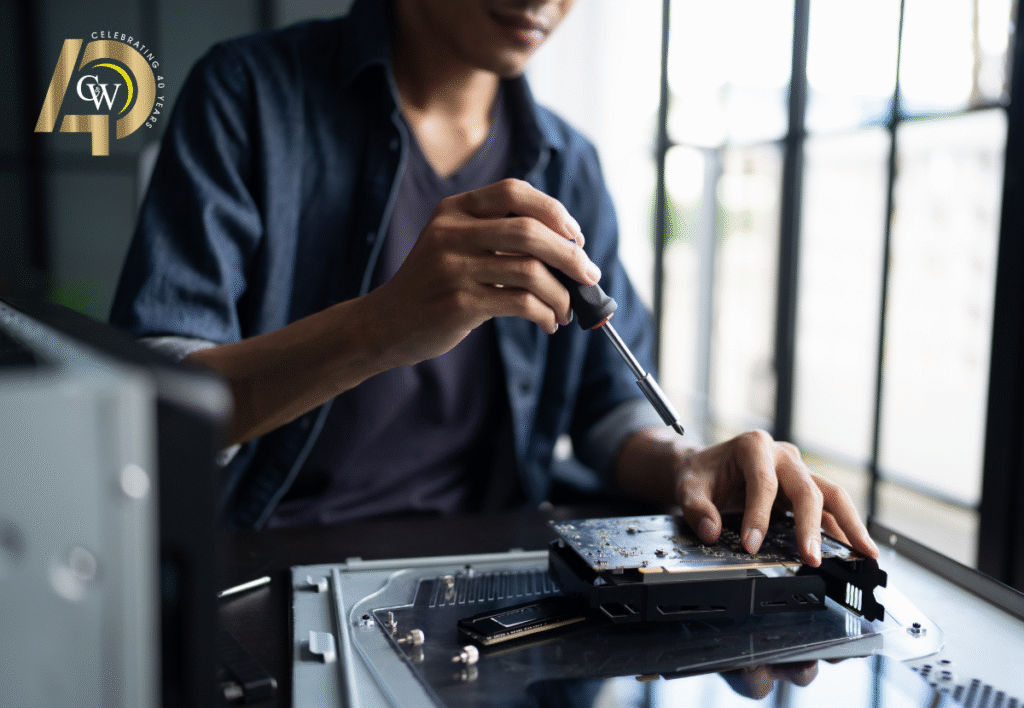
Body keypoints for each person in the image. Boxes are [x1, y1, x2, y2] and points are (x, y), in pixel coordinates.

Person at [110, 0, 878, 566]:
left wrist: (689, 465)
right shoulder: (246, 96)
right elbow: (155, 409)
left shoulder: (570, 166)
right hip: (266, 572)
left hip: (498, 578)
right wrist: (381, 326)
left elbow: (608, 408)